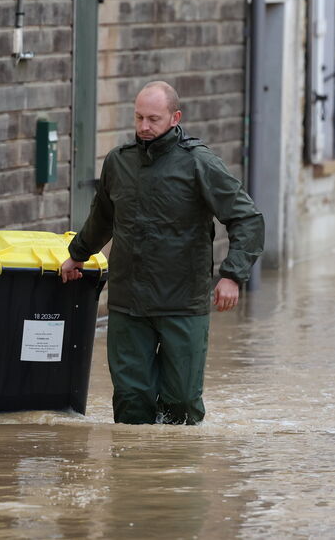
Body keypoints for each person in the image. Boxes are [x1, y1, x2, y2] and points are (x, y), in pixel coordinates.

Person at [59, 81, 264, 425]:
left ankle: (177, 472)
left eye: (153, 119)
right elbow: (102, 218)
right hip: (128, 302)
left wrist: (232, 275)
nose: (143, 127)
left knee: (181, 403)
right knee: (130, 403)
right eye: (138, 117)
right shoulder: (118, 162)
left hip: (182, 303)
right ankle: (136, 476)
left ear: (175, 117)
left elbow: (248, 218)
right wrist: (77, 254)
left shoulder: (199, 163)